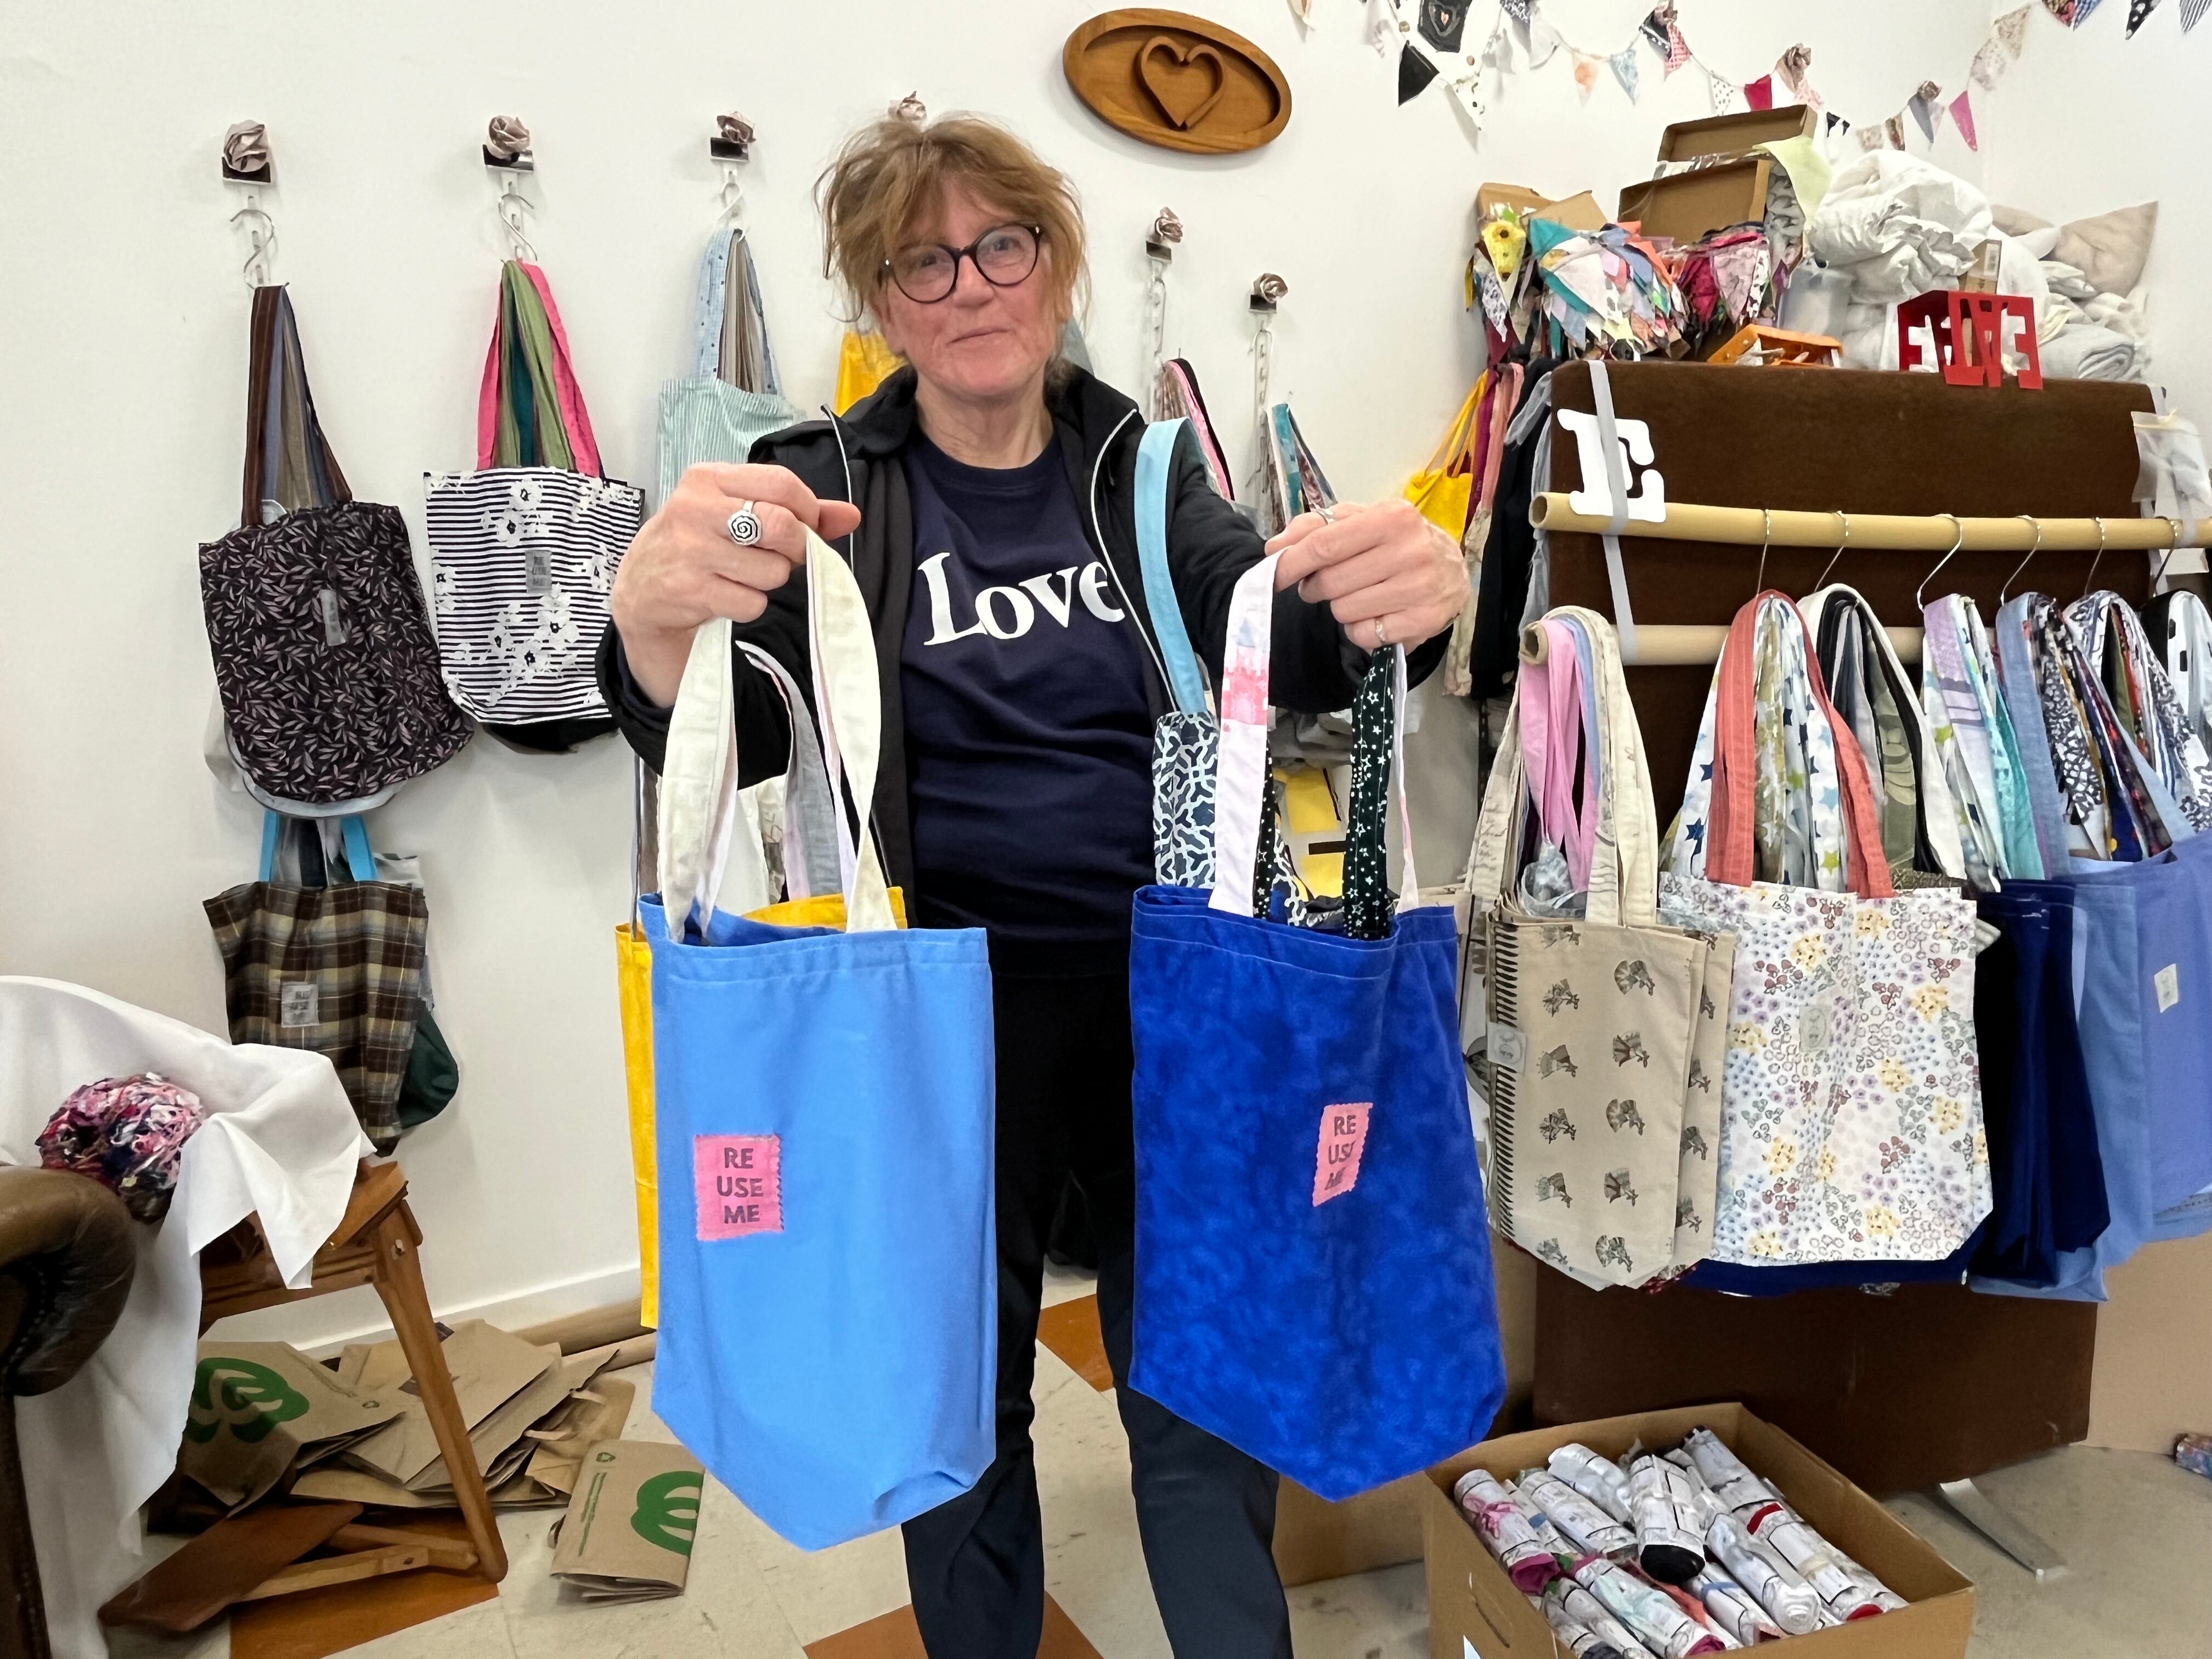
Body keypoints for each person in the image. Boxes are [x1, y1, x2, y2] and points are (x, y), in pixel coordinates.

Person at [600, 111, 1467, 1659]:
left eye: (1000, 246)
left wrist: (1398, 598)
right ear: (879, 306)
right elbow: (726, 736)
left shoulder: (1143, 473)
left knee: (1199, 1385)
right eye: (919, 263)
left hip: (1167, 1004)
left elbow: (1278, 638)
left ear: (1056, 270)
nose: (969, 286)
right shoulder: (816, 485)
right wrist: (653, 632)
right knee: (956, 1401)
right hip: (927, 1015)